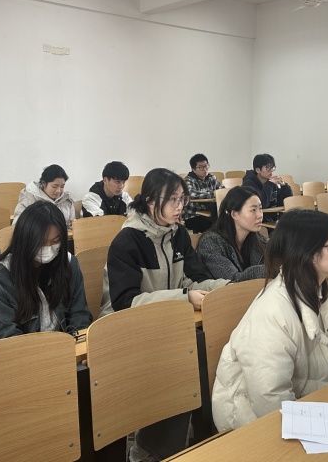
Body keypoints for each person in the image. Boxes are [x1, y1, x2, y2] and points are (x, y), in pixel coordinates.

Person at [101, 168, 229, 461]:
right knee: (183, 362)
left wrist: (226, 289)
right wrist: (184, 298)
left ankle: (199, 441)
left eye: (182, 199)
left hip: (170, 323)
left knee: (209, 352)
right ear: (149, 201)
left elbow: (195, 279)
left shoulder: (178, 233)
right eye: (172, 199)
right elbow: (125, 303)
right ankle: (147, 450)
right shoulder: (127, 241)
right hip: (126, 330)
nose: (179, 206)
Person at [212, 209, 328, 431]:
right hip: (253, 421)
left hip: (312, 406)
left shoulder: (326, 294)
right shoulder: (272, 311)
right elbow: (270, 399)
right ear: (310, 252)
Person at [0, 200, 92, 340]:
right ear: (26, 241)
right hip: (24, 351)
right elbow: (8, 337)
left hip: (65, 346)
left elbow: (80, 314)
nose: (48, 248)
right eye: (41, 243)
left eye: (55, 241)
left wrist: (77, 343)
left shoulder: (69, 264)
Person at [196, 186, 267, 281]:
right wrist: (271, 269)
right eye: (253, 210)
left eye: (260, 209)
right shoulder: (211, 242)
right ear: (234, 214)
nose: (260, 215)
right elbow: (233, 279)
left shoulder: (258, 239)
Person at [241, 153, 292, 222]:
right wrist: (269, 184)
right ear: (258, 170)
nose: (271, 170)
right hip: (258, 219)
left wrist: (284, 186)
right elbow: (262, 204)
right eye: (268, 167)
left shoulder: (271, 182)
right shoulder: (249, 184)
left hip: (273, 219)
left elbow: (285, 202)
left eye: (272, 167)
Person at [182, 153, 224, 233]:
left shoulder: (211, 178)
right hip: (193, 216)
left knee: (226, 223)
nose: (205, 169)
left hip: (210, 213)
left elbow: (222, 190)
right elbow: (192, 195)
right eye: (201, 167)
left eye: (206, 166)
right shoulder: (188, 180)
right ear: (193, 169)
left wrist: (218, 193)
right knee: (214, 228)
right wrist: (214, 194)